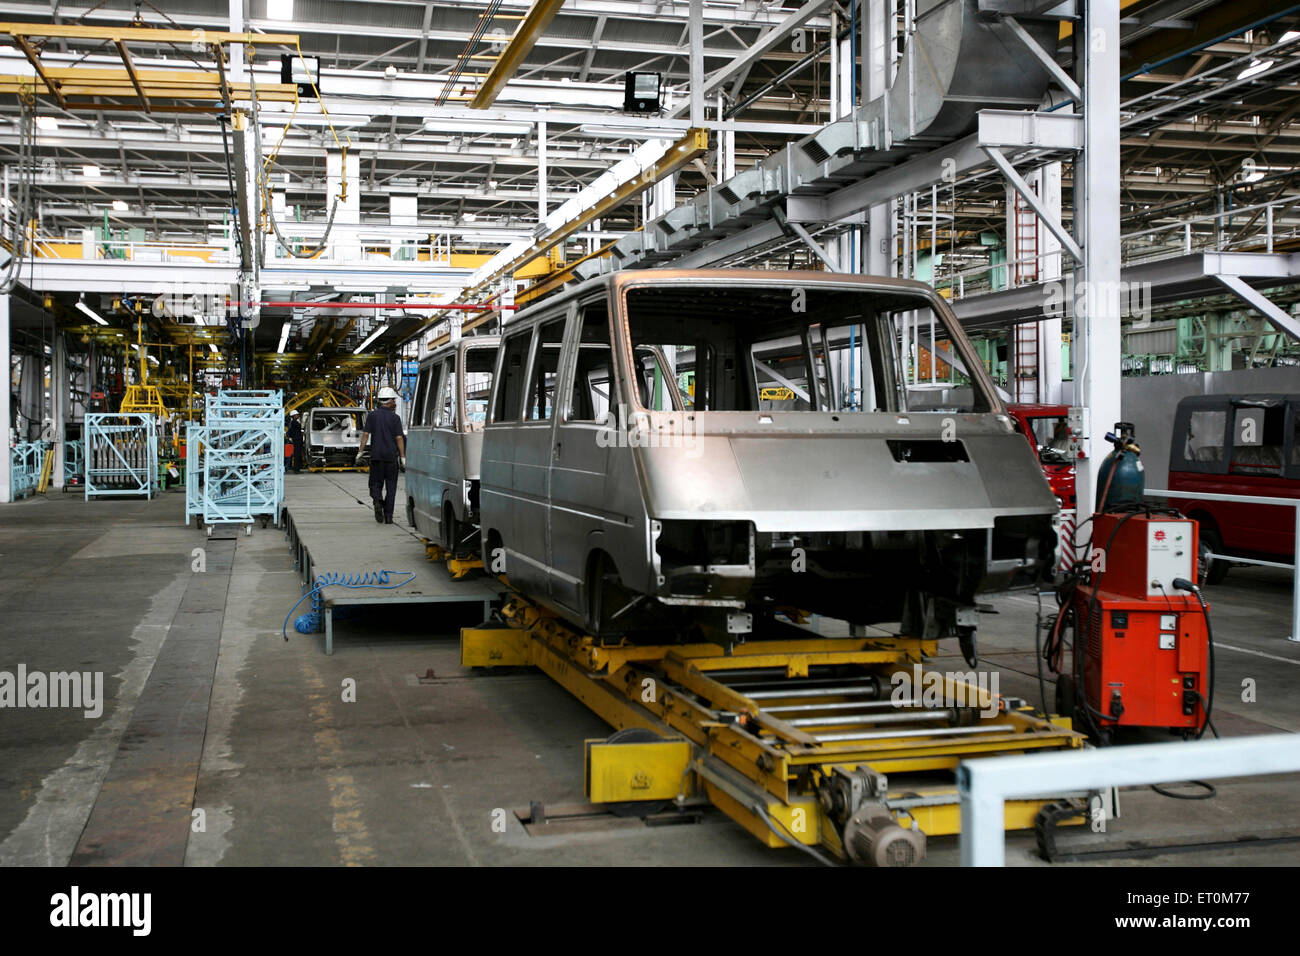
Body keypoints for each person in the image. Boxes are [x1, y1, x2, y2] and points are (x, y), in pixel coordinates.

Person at [356, 386, 406, 524]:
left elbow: (366, 435)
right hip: (390, 458)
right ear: (390, 401)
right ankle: (388, 516)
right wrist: (402, 457)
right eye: (394, 400)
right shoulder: (395, 418)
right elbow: (399, 438)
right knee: (391, 487)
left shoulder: (372, 416)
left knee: (375, 484)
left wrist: (360, 452)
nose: (395, 403)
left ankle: (377, 500)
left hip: (376, 457)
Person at [286, 409, 305, 473]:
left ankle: (297, 468)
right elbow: (300, 428)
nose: (298, 416)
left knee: (298, 454)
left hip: (297, 440)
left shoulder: (293, 423)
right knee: (297, 455)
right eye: (297, 415)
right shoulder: (294, 422)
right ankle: (296, 469)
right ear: (293, 416)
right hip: (297, 440)